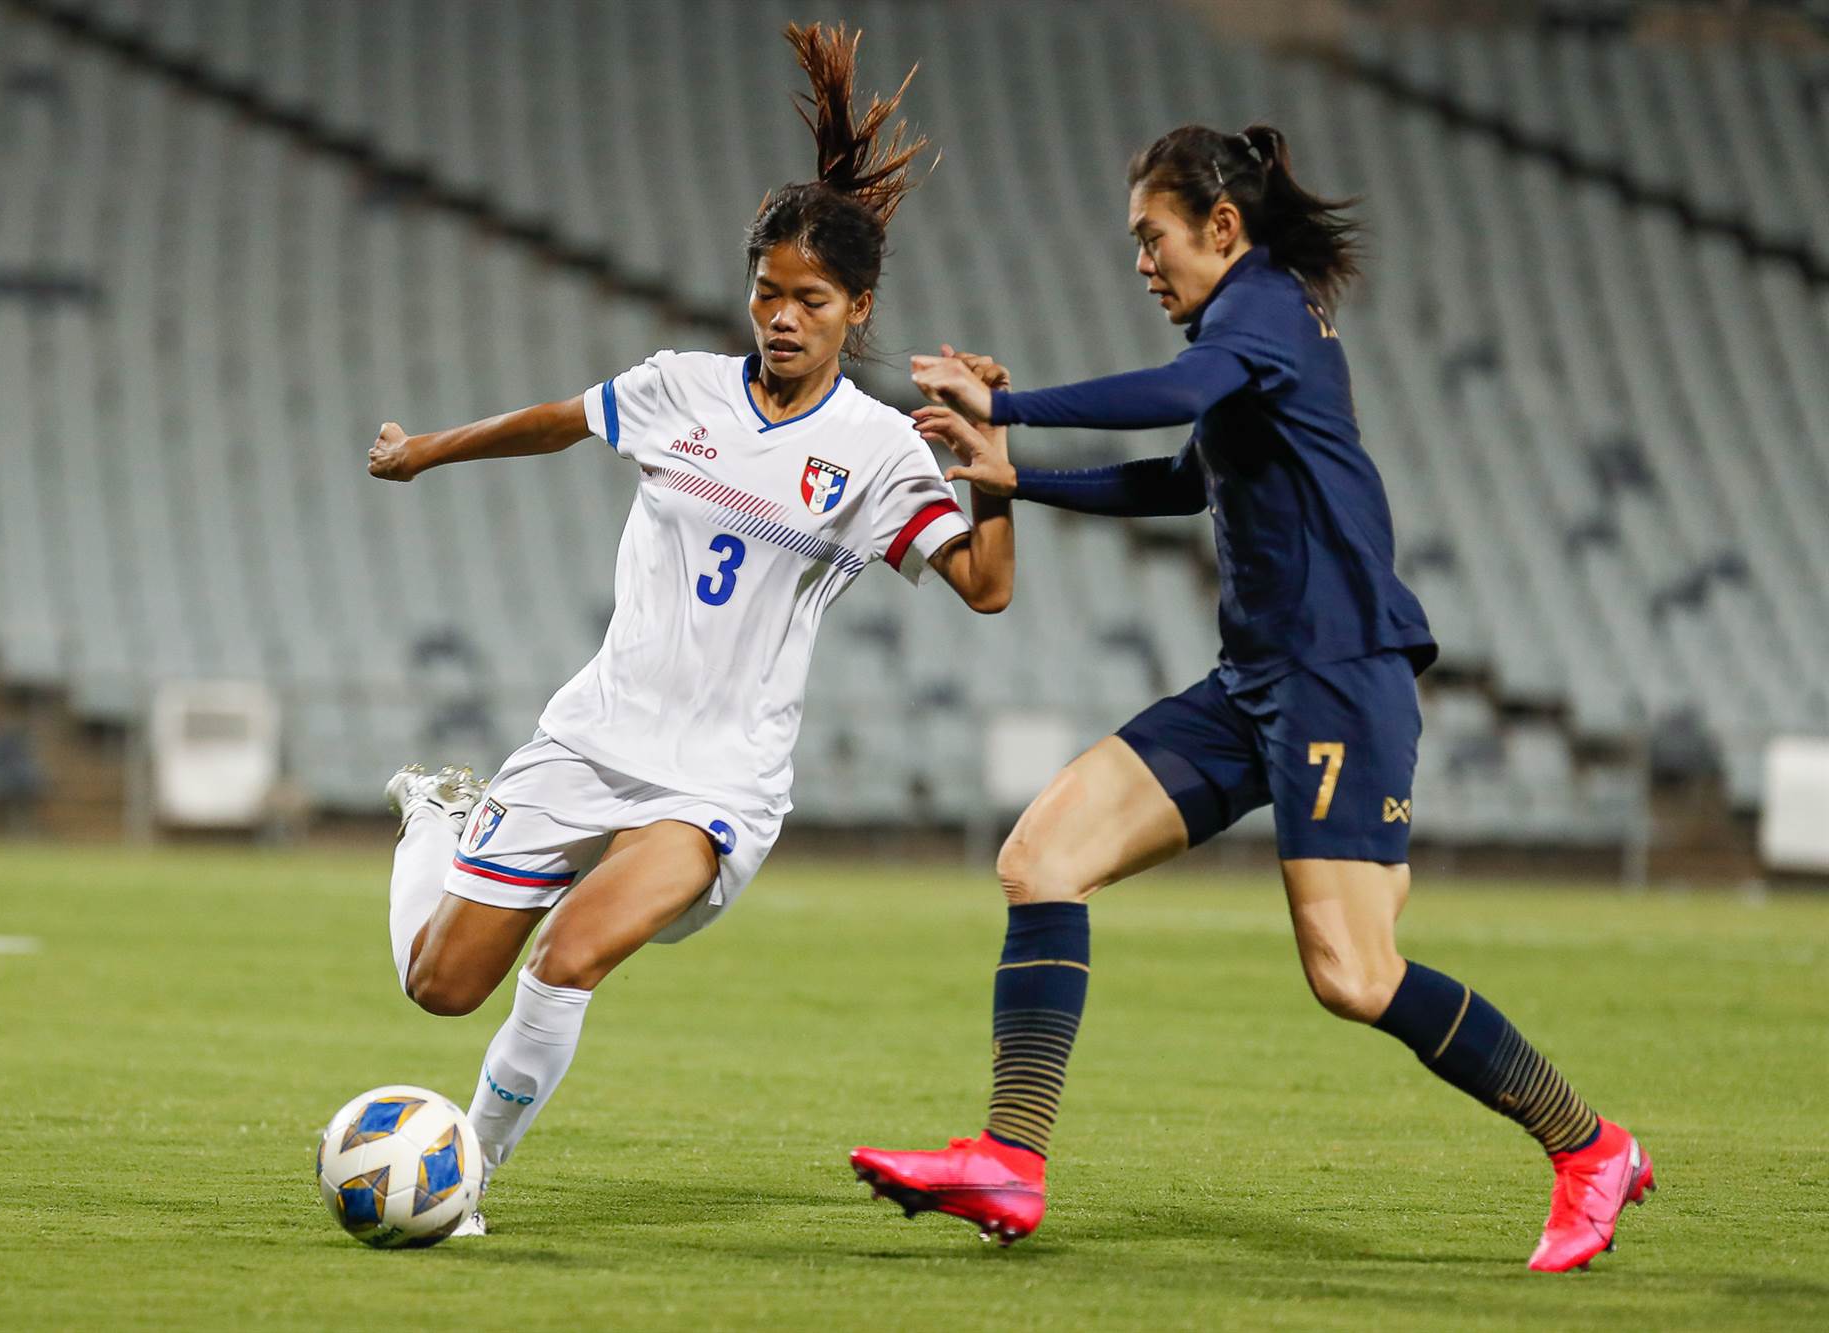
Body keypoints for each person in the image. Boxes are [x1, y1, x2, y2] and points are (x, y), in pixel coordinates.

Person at [849, 123, 1652, 1273]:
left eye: (1151, 237)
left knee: (1353, 975)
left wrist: (1005, 405)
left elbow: (1172, 395)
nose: (1140, 263)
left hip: (1335, 674)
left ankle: (1589, 1146)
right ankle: (1008, 1160)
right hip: (1254, 679)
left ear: (1220, 227)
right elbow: (1186, 475)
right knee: (1042, 856)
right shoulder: (1246, 333)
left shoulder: (1260, 308)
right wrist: (1014, 477)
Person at [364, 23, 1015, 1231]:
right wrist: (423, 454)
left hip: (715, 780)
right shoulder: (678, 390)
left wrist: (990, 469)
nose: (779, 316)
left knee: (570, 957)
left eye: (808, 300)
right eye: (765, 292)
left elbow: (982, 585)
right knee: (441, 986)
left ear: (855, 309)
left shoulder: (875, 450)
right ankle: (438, 823)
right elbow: (557, 420)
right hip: (591, 737)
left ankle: (467, 1184)